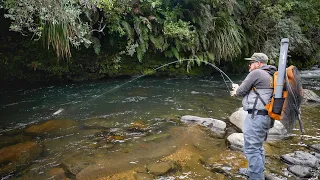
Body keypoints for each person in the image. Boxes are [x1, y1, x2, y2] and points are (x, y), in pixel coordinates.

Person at [230, 53, 277, 180]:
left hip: (257, 117)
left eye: (251, 62)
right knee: (258, 147)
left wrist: (236, 89)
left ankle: (256, 177)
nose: (249, 65)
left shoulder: (256, 73)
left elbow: (241, 91)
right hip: (267, 117)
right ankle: (256, 172)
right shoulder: (271, 74)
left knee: (251, 149)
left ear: (259, 64)